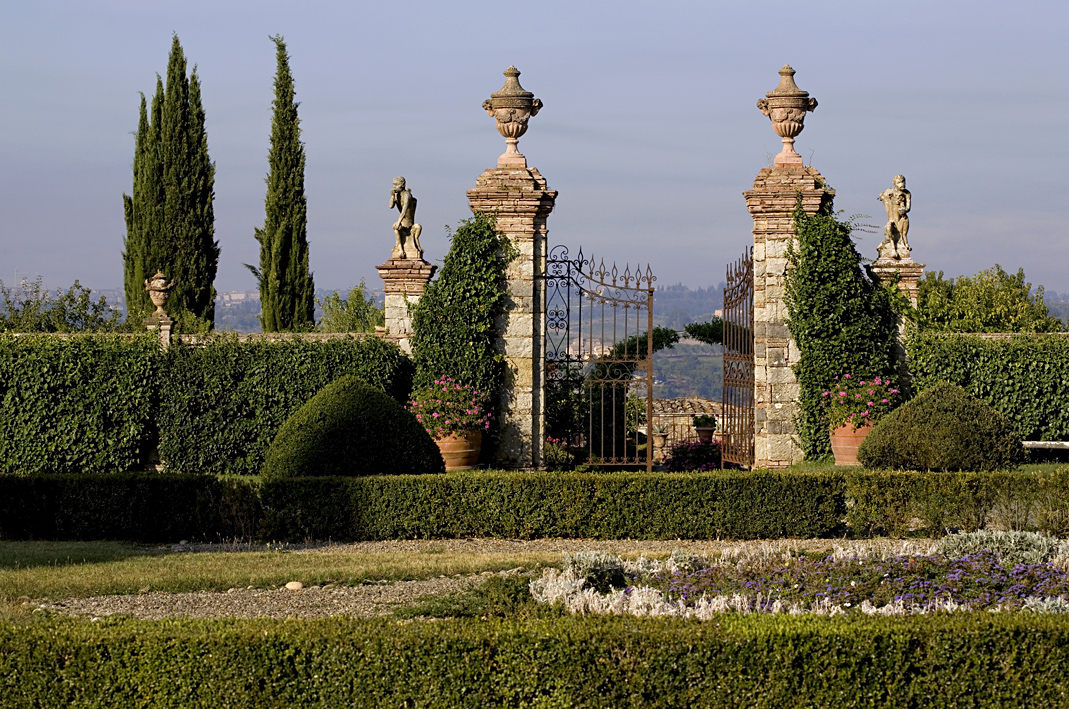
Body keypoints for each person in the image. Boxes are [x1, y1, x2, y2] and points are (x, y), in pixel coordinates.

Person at [388, 176, 423, 260]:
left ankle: (413, 245)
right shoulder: (397, 196)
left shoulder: (407, 195)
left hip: (409, 222)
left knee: (398, 226)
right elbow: (390, 206)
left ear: (402, 184)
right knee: (396, 228)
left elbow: (404, 210)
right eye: (393, 185)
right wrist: (392, 196)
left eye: (396, 185)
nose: (394, 187)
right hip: (402, 222)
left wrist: (399, 221)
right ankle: (400, 249)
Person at [877, 175, 911, 259]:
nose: (902, 184)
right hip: (892, 218)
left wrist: (905, 209)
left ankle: (905, 243)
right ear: (894, 184)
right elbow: (881, 195)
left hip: (902, 217)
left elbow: (908, 207)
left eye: (903, 182)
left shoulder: (907, 193)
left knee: (903, 231)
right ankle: (893, 248)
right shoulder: (890, 191)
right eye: (899, 182)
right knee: (889, 228)